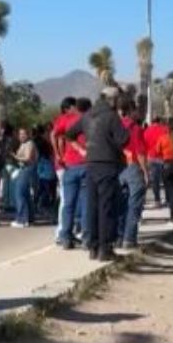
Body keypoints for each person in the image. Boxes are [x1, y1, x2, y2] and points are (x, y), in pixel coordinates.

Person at [67, 87, 129, 261]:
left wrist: (82, 150)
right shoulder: (111, 116)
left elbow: (69, 133)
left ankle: (93, 247)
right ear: (112, 99)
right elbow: (124, 139)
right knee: (106, 207)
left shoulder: (87, 115)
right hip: (107, 164)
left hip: (91, 164)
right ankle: (105, 248)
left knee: (92, 206)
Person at [52, 97, 87, 249]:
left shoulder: (65, 120)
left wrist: (58, 154)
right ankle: (86, 237)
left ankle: (66, 236)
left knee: (68, 203)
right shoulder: (88, 119)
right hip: (85, 164)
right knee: (85, 203)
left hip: (69, 166)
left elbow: (54, 134)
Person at [116, 96, 148, 249]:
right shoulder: (135, 129)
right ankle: (129, 238)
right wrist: (145, 172)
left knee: (119, 204)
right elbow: (140, 152)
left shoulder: (113, 127)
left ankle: (119, 236)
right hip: (133, 167)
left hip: (116, 168)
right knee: (134, 204)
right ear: (130, 110)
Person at [11, 126, 38, 228]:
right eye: (20, 134)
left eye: (24, 134)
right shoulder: (23, 144)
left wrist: (16, 157)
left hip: (27, 169)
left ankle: (21, 219)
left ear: (28, 134)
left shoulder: (29, 144)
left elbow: (27, 158)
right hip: (24, 169)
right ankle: (30, 218)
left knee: (19, 193)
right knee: (26, 194)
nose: (21, 136)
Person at [142, 117, 168, 208]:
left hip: (151, 157)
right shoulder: (165, 129)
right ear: (160, 121)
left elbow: (144, 145)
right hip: (163, 157)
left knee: (155, 181)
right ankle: (168, 198)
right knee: (166, 180)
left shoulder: (147, 131)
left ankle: (157, 200)